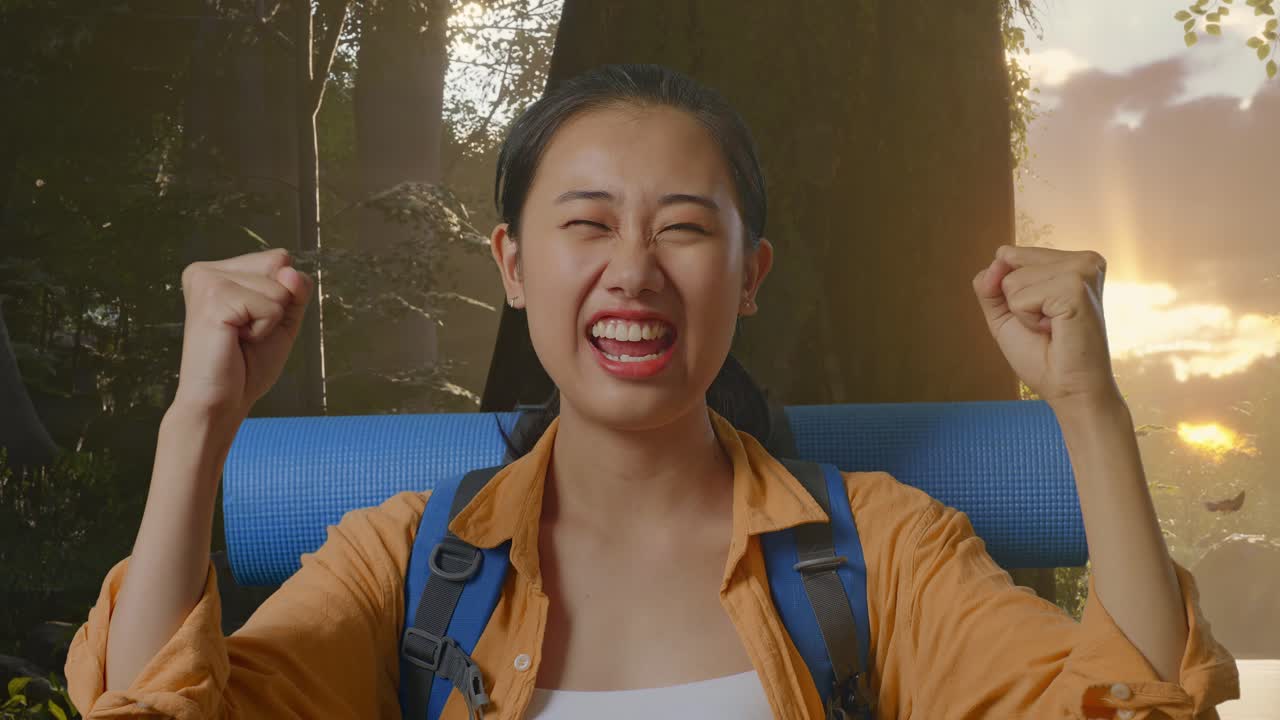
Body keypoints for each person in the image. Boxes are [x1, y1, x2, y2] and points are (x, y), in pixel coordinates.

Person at [65, 64, 1239, 719]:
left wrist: (1089, 406)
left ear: (751, 277)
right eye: (584, 225)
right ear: (513, 268)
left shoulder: (877, 553)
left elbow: (1134, 710)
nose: (632, 269)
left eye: (683, 228)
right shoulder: (407, 566)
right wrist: (198, 423)